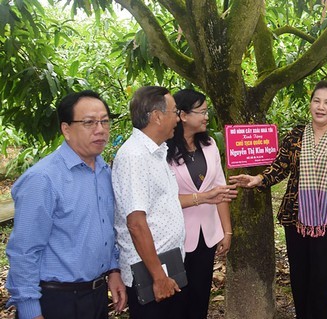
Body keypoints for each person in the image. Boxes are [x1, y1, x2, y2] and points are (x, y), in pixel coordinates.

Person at [230, 80, 327, 319]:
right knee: (300, 281)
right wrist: (258, 179)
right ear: (310, 104)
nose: (321, 107)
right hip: (296, 219)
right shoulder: (295, 136)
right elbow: (280, 167)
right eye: (317, 101)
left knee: (323, 284)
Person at [6, 90, 127, 319]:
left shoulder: (103, 172)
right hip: (57, 300)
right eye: (89, 122)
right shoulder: (43, 179)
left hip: (96, 295)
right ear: (66, 129)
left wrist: (113, 271)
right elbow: (24, 250)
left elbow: (104, 229)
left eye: (104, 121)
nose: (100, 129)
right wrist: (30, 310)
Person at [112, 86, 186, 318]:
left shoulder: (156, 152)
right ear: (156, 116)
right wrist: (158, 277)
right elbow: (135, 223)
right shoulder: (135, 156)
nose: (178, 118)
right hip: (150, 272)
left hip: (167, 263)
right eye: (175, 112)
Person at [166, 89, 237, 318]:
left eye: (207, 111)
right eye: (202, 112)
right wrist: (202, 198)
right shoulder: (164, 150)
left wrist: (226, 231)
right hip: (176, 238)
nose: (207, 116)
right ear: (183, 115)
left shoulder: (209, 145)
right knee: (177, 299)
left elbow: (220, 189)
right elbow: (162, 201)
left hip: (207, 235)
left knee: (199, 297)